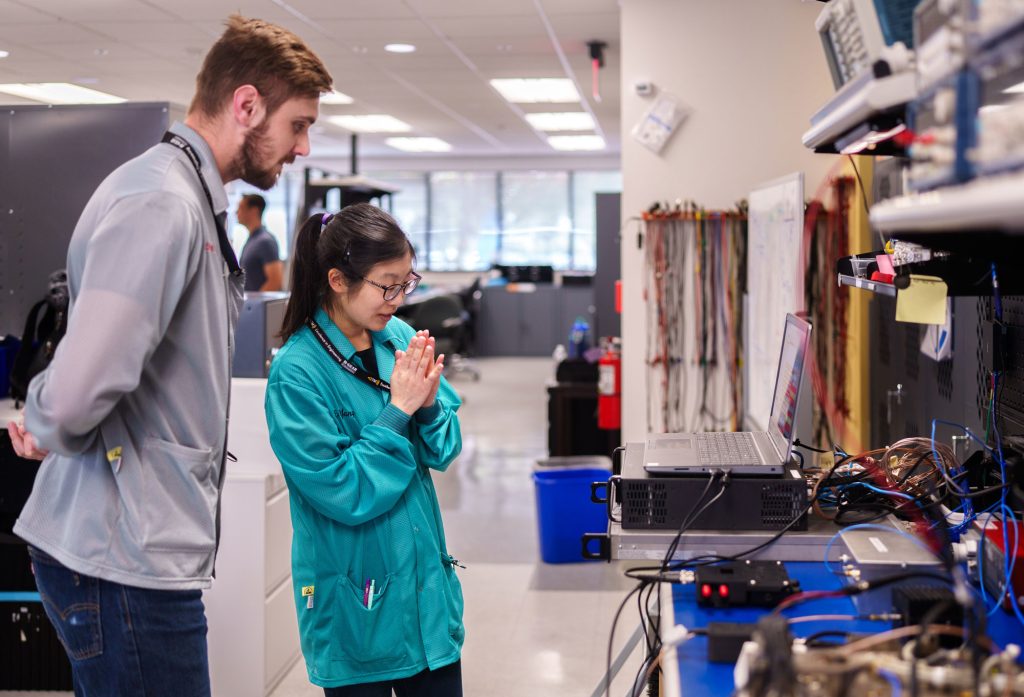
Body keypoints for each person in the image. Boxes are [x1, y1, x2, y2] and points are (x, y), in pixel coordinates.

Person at [5, 15, 331, 697]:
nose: (302, 147)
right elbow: (76, 390)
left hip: (137, 548)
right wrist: (42, 419)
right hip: (121, 560)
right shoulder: (162, 202)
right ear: (246, 106)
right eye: (298, 124)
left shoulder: (186, 199)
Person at [265, 203, 465, 696]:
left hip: (425, 602)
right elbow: (342, 490)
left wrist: (429, 406)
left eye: (406, 282)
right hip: (355, 602)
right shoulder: (297, 374)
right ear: (337, 280)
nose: (398, 298)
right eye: (387, 284)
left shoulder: (396, 337)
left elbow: (444, 447)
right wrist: (398, 412)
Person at [237, 193, 284, 291]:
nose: (236, 212)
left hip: (254, 305)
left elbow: (275, 281)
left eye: (241, 208)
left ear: (254, 211)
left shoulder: (265, 242)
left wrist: (254, 305)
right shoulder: (252, 240)